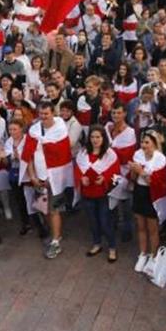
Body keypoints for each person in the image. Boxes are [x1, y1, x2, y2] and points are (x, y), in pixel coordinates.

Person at [24, 102, 74, 259]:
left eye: (46, 114)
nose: (43, 117)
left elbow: (62, 154)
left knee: (54, 209)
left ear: (53, 113)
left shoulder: (60, 129)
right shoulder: (34, 131)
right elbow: (29, 155)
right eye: (41, 114)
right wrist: (32, 176)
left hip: (56, 178)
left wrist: (51, 177)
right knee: (43, 208)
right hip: (40, 177)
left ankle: (55, 241)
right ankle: (54, 233)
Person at [74, 125, 119, 262]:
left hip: (103, 194)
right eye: (92, 137)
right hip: (88, 193)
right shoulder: (83, 153)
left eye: (98, 137)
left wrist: (104, 177)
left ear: (103, 138)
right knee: (93, 221)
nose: (95, 140)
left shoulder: (110, 154)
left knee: (105, 222)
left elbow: (116, 171)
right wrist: (81, 178)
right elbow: (77, 169)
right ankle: (97, 243)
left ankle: (112, 247)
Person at [128, 131, 166, 274]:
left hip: (152, 195)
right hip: (139, 192)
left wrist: (141, 171)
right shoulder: (138, 154)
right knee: (140, 226)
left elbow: (156, 182)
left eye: (147, 142)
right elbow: (133, 178)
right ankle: (143, 253)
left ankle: (153, 255)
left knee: (152, 228)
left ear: (154, 144)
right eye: (142, 142)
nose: (143, 145)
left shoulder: (160, 159)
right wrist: (133, 170)